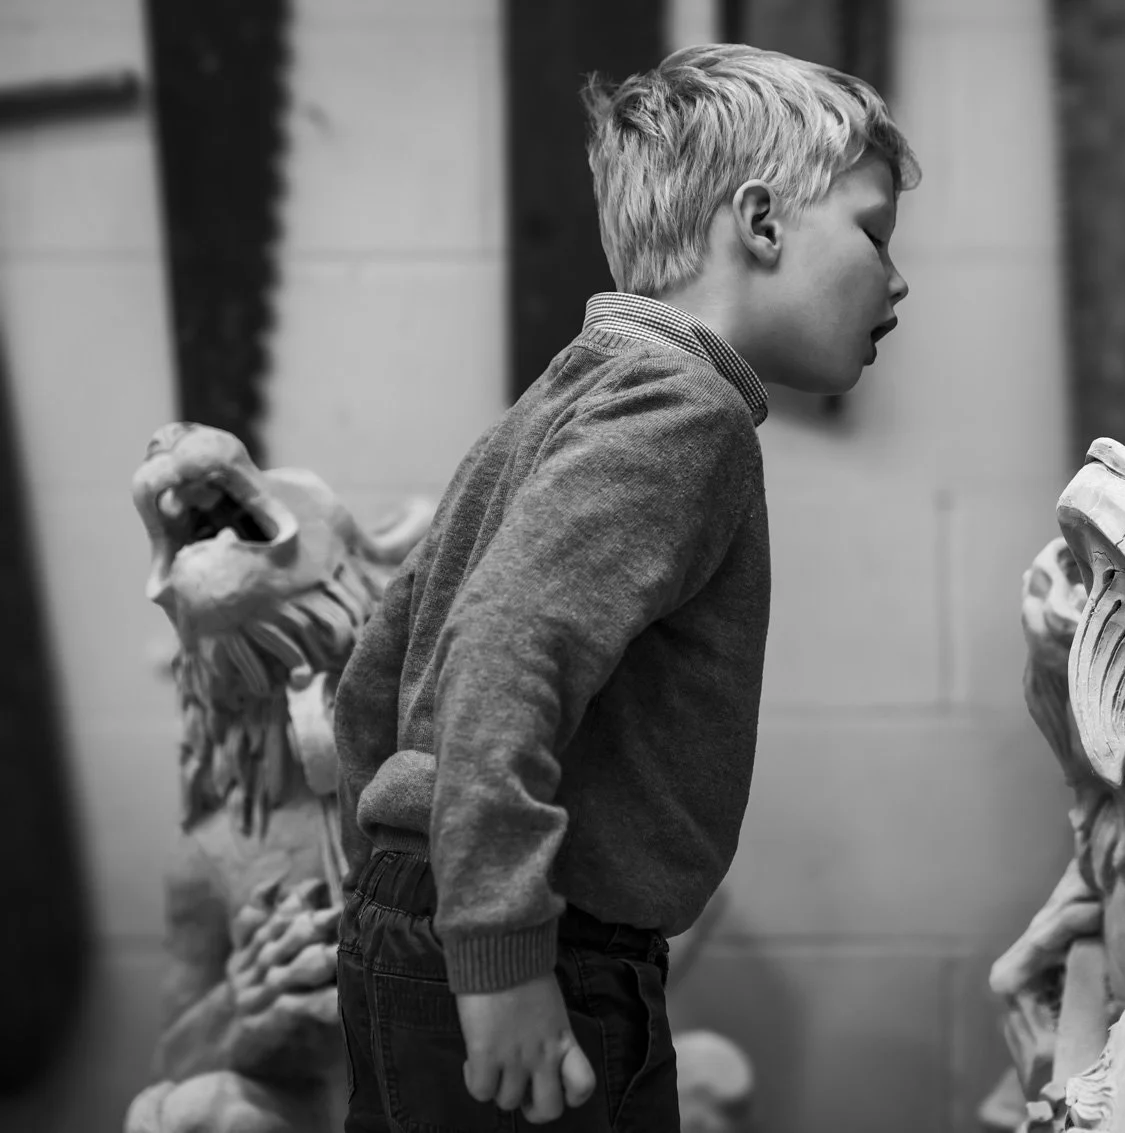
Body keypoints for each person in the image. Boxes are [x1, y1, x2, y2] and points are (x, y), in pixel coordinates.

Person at [333, 42, 918, 1131]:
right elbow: (504, 643)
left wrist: (408, 882)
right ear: (761, 223)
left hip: (443, 915)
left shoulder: (563, 397)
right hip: (538, 940)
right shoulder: (680, 414)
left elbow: (381, 662)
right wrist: (495, 948)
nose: (896, 276)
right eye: (874, 231)